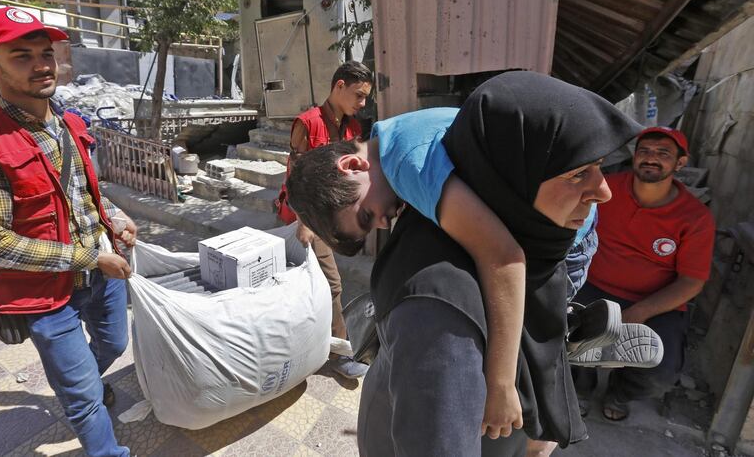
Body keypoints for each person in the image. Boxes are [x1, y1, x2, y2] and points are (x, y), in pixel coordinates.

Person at [288, 70, 643, 454]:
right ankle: (559, 329)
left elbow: (503, 257)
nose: (382, 222)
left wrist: (501, 384)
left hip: (565, 240)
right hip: (557, 228)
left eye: (365, 216)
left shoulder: (410, 167)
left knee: (540, 312)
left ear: (352, 167)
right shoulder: (397, 134)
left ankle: (562, 328)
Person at [0, 8, 136, 457]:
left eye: (45, 53)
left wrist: (114, 217)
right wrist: (90, 257)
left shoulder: (69, 122)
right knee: (84, 398)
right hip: (45, 293)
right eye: (22, 56)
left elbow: (86, 193)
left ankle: (86, 384)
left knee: (114, 342)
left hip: (101, 277)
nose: (41, 65)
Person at [573, 126, 715, 421]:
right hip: (593, 284)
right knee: (564, 335)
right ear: (634, 157)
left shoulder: (695, 217)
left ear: (680, 163)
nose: (651, 158)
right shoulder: (604, 189)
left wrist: (640, 311)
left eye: (663, 153)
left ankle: (620, 391)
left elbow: (692, 281)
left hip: (656, 301)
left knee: (661, 372)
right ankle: (579, 388)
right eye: (645, 151)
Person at [275, 60, 373, 379]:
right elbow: (294, 176)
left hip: (329, 218)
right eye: (358, 95)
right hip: (306, 217)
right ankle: (340, 352)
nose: (362, 103)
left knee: (307, 283)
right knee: (332, 283)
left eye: (365, 98)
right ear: (339, 86)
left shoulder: (352, 128)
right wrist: (305, 220)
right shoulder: (307, 123)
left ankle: (302, 340)